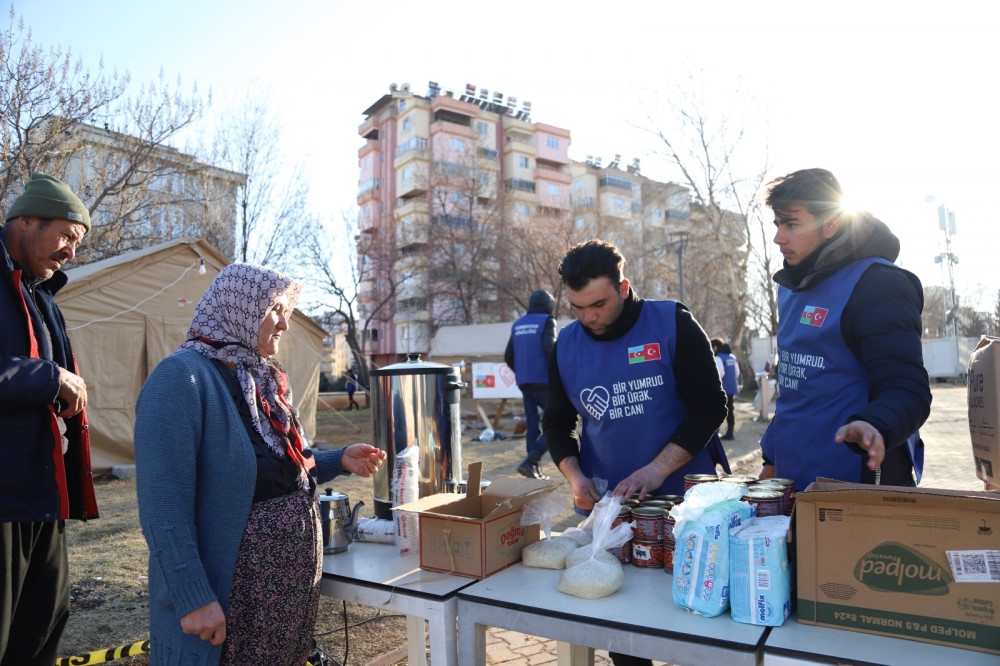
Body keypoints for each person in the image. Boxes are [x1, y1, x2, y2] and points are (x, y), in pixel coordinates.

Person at [134, 263, 386, 666]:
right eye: (275, 309)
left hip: (285, 595)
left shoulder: (259, 379)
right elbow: (163, 507)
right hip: (237, 595)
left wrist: (337, 460)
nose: (284, 324)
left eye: (287, 311)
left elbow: (273, 472)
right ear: (239, 308)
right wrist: (193, 597)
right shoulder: (181, 378)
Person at [760, 168, 931, 492]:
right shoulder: (790, 287)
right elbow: (797, 390)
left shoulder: (878, 283)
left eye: (792, 224)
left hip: (860, 483)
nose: (779, 237)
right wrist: (770, 456)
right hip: (797, 483)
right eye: (777, 224)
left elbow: (907, 387)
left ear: (830, 224)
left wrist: (873, 424)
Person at [0, 172, 99, 666]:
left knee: (40, 636)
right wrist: (47, 378)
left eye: (76, 242)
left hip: (42, 496)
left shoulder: (42, 295)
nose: (70, 253)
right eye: (66, 236)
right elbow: (43, 376)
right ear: (25, 221)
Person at [504, 289, 558, 480]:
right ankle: (531, 461)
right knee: (558, 422)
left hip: (525, 382)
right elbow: (550, 348)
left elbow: (508, 356)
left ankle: (531, 469)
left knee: (533, 424)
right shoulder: (546, 321)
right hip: (544, 381)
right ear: (547, 305)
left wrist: (522, 372)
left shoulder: (517, 325)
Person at [711, 338, 740, 440]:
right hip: (732, 388)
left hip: (722, 388)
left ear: (715, 347)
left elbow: (721, 373)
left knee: (718, 410)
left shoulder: (718, 358)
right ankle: (730, 432)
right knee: (730, 410)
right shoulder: (732, 357)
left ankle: (716, 433)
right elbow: (737, 373)